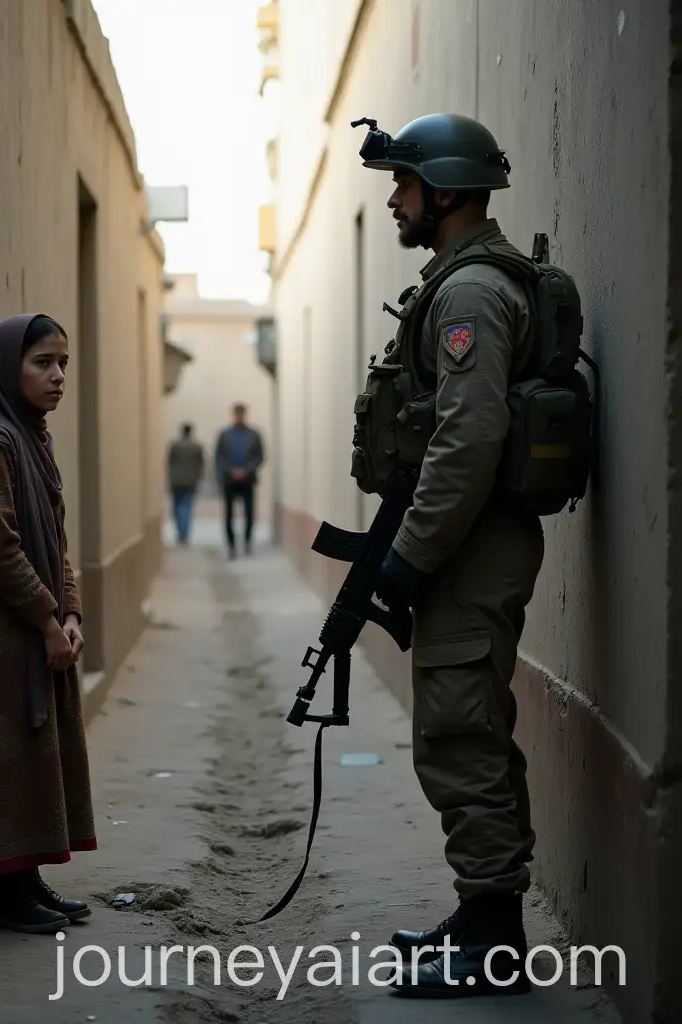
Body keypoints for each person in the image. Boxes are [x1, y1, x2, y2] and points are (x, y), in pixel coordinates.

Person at [353, 113, 545, 997]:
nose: (395, 198)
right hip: (465, 544)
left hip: (472, 545)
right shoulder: (457, 285)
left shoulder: (469, 297)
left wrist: (407, 558)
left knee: (460, 731)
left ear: (450, 192)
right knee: (468, 727)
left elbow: (468, 442)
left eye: (405, 184)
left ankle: (493, 946)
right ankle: (481, 915)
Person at [0, 312, 95, 935]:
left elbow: (57, 539)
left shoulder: (32, 435)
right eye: (43, 363)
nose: (58, 375)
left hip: (38, 624)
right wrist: (44, 619)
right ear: (9, 367)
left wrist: (70, 611)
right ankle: (4, 896)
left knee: (41, 754)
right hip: (7, 631)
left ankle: (28, 879)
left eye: (63, 362)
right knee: (11, 754)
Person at [214, 403, 264, 557]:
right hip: (229, 480)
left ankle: (247, 540)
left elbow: (259, 456)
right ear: (233, 415)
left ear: (245, 415)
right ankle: (231, 545)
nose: (239, 417)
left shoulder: (254, 435)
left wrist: (246, 470)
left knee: (249, 512)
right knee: (229, 514)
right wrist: (230, 471)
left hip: (247, 479)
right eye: (237, 414)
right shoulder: (225, 435)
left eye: (241, 414)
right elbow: (219, 457)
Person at [166, 422, 204, 545]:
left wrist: (170, 479)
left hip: (176, 481)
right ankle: (185, 534)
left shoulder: (175, 446)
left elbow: (169, 464)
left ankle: (179, 532)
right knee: (187, 507)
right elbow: (200, 465)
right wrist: (198, 478)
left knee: (176, 508)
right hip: (190, 481)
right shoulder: (196, 447)